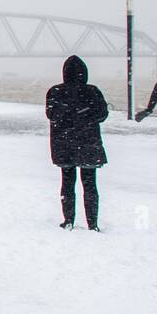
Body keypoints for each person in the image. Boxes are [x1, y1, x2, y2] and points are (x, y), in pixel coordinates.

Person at [45, 55, 107, 231]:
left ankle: (68, 220)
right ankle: (92, 223)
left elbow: (50, 115)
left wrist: (68, 117)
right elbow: (102, 115)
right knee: (90, 185)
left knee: (67, 183)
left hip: (64, 144)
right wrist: (85, 115)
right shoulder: (93, 91)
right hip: (88, 144)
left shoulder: (55, 92)